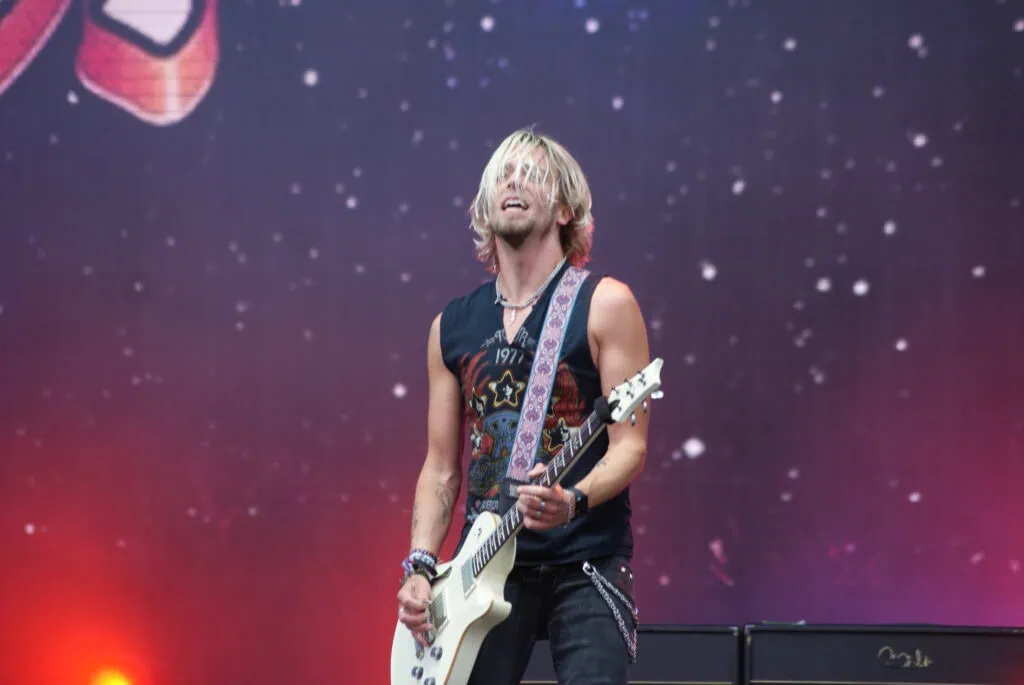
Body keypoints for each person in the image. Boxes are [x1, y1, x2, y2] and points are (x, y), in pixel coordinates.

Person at [396, 127, 652, 684]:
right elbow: (441, 468)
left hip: (584, 558)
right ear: (486, 208)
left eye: (530, 175)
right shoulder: (452, 326)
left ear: (564, 209)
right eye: (502, 177)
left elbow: (629, 446)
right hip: (483, 566)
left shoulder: (605, 304)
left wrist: (573, 500)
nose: (513, 184)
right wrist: (420, 565)